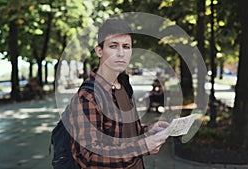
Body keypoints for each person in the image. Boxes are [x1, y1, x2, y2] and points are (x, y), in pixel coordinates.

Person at [61, 19, 170, 168]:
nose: (121, 53)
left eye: (126, 47)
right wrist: (143, 147)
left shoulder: (124, 85)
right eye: (113, 46)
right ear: (99, 51)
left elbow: (126, 135)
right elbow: (88, 155)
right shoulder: (88, 96)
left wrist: (149, 131)